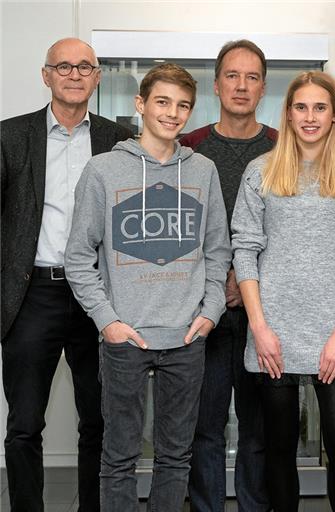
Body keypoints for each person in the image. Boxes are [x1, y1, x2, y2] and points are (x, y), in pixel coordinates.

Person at [64, 63, 231, 511]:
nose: (172, 113)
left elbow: (218, 250)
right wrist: (108, 322)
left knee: (177, 457)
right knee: (118, 456)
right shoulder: (102, 171)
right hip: (125, 339)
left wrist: (210, 311)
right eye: (162, 102)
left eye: (182, 105)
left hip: (186, 336)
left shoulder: (203, 171)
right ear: (141, 105)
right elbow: (78, 256)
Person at [231, 71, 335, 512]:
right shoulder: (262, 172)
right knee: (279, 445)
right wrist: (259, 328)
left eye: (320, 108)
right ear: (288, 113)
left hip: (334, 329)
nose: (309, 117)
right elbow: (245, 250)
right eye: (301, 107)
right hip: (273, 330)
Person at [0, 37, 132, 512]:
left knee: (99, 421)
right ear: (46, 75)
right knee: (24, 425)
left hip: (99, 297)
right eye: (64, 66)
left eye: (85, 67)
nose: (75, 75)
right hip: (33, 293)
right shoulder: (9, 137)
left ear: (97, 77)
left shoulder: (121, 141)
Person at [180, 39, 277, 512]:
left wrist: (246, 280)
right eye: (232, 76)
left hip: (267, 311)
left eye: (252, 76)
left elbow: (294, 227)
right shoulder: (189, 148)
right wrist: (218, 283)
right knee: (206, 424)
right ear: (216, 84)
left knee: (259, 426)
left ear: (263, 87)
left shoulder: (283, 147)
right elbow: (179, 230)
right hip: (205, 311)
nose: (241, 86)